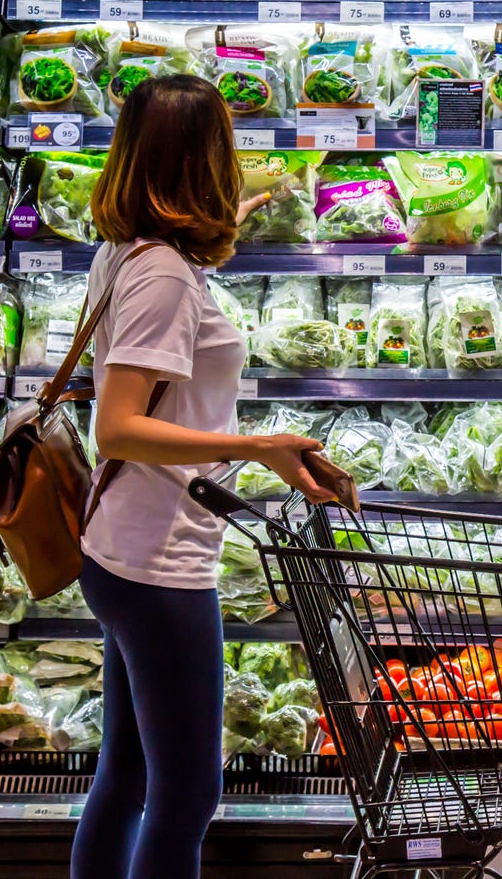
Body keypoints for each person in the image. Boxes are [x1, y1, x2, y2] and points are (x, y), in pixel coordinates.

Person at [70, 74, 336, 879]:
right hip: (157, 566)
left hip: (122, 548)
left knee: (125, 777)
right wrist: (254, 447)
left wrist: (249, 207)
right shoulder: (162, 277)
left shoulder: (136, 248)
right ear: (203, 161)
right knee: (185, 800)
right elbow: (117, 424)